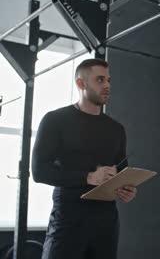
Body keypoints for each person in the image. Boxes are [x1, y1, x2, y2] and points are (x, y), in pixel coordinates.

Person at [32, 58, 137, 259]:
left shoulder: (116, 129)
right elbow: (39, 171)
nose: (107, 85)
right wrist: (89, 177)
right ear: (81, 84)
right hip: (68, 221)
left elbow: (123, 171)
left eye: (108, 80)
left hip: (106, 224)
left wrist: (127, 189)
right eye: (100, 80)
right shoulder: (55, 120)